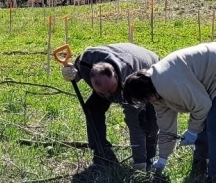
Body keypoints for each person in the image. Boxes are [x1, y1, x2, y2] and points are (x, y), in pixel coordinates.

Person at [121, 42, 216, 183]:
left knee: (215, 123)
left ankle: (215, 177)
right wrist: (162, 159)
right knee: (203, 120)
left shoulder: (168, 83)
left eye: (143, 100)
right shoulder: (157, 95)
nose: (146, 103)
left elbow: (202, 105)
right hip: (214, 74)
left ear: (145, 92)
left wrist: (192, 131)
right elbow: (166, 128)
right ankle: (199, 166)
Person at [60, 43, 160, 171]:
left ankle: (148, 160)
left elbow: (134, 122)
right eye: (103, 93)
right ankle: (102, 154)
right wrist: (72, 72)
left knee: (146, 120)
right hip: (118, 57)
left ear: (116, 77)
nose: (108, 96)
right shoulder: (86, 61)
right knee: (92, 108)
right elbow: (76, 71)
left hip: (147, 67)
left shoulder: (130, 78)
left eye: (111, 91)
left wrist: (139, 162)